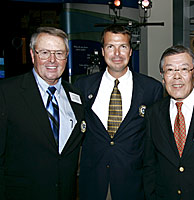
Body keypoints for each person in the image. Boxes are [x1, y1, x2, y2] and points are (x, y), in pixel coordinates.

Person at [74, 24, 163, 200]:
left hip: (133, 184)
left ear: (130, 51)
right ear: (102, 51)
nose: (117, 54)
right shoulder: (82, 86)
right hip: (93, 183)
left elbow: (155, 140)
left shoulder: (151, 89)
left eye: (123, 46)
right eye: (110, 47)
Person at [0, 27, 85, 200]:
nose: (52, 60)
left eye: (59, 53)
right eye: (44, 52)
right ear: (33, 55)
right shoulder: (7, 93)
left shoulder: (76, 97)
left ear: (66, 57)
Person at [143, 45, 194, 199]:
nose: (177, 76)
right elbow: (149, 164)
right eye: (170, 70)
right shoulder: (153, 113)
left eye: (184, 69)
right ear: (163, 76)